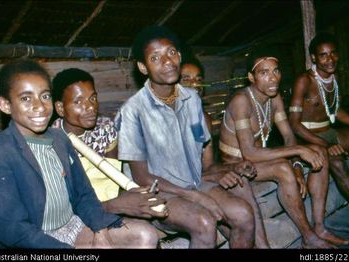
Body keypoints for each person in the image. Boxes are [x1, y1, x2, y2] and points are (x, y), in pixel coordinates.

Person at [116, 25, 256, 248]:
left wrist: (222, 172)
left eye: (171, 53)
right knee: (204, 222)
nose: (167, 61)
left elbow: (199, 156)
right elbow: (142, 178)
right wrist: (196, 197)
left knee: (244, 214)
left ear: (180, 56)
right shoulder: (133, 111)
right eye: (155, 57)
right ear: (143, 67)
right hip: (157, 194)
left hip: (193, 184)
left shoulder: (192, 99)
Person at [0, 58, 127, 248]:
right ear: (5, 105)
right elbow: (14, 230)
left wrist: (100, 229)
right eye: (26, 98)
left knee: (144, 235)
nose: (40, 106)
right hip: (34, 240)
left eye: (45, 96)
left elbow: (83, 194)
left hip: (70, 226)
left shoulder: (60, 139)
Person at [219, 47, 348, 248]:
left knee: (319, 150)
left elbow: (289, 136)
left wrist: (297, 166)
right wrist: (297, 152)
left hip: (257, 160)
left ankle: (320, 226)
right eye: (264, 73)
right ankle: (309, 237)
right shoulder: (241, 101)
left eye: (276, 71)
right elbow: (249, 152)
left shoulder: (274, 98)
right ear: (251, 77)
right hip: (237, 165)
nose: (273, 78)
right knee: (283, 167)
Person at [51, 68, 168, 248]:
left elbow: (113, 180)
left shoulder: (105, 128)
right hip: (74, 218)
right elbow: (66, 208)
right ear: (60, 108)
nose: (90, 107)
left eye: (93, 98)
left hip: (108, 205)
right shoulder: (52, 142)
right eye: (78, 101)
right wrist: (119, 205)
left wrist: (135, 198)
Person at [180, 56, 270, 248]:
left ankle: (263, 246)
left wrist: (234, 168)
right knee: (239, 214)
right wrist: (215, 176)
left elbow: (208, 165)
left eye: (198, 79)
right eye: (186, 79)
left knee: (240, 180)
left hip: (197, 180)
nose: (194, 84)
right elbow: (174, 175)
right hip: (176, 188)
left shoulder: (203, 117)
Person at [289, 33, 349, 218]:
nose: (330, 59)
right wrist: (326, 145)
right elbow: (294, 125)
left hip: (329, 132)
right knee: (337, 163)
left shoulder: (333, 78)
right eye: (323, 55)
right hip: (309, 138)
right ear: (313, 58)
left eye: (333, 53)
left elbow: (337, 112)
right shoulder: (305, 81)